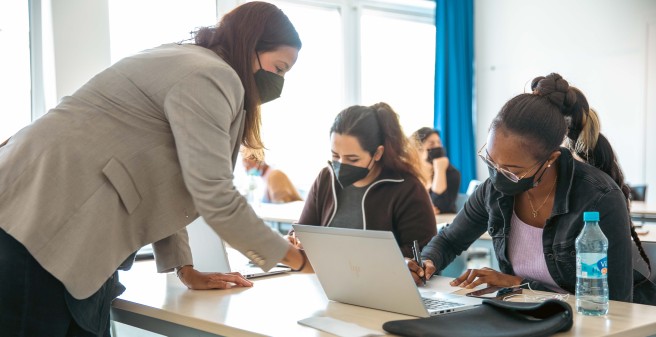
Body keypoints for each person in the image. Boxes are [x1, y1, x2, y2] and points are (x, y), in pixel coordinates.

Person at [0, 2, 310, 336]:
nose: (277, 82)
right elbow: (215, 195)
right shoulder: (212, 75)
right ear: (251, 45)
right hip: (40, 226)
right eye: (278, 68)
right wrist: (297, 259)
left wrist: (185, 269)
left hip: (45, 222)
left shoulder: (183, 60)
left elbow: (164, 181)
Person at [407, 73, 654, 305]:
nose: (497, 174)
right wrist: (427, 262)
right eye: (491, 161)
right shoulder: (494, 190)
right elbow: (450, 240)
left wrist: (521, 285)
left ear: (550, 159)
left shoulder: (598, 198)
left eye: (512, 169)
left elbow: (611, 301)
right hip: (530, 317)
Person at [292, 103, 437, 258]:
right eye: (335, 155)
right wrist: (295, 241)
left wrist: (355, 256)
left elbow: (424, 254)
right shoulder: (326, 178)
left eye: (353, 159)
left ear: (377, 153)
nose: (341, 165)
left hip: (382, 281)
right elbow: (303, 232)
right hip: (324, 280)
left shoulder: (407, 188)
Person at [410, 127, 461, 214]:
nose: (437, 147)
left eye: (439, 143)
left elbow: (440, 206)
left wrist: (439, 170)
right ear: (418, 149)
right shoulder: (410, 173)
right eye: (431, 144)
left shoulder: (452, 173)